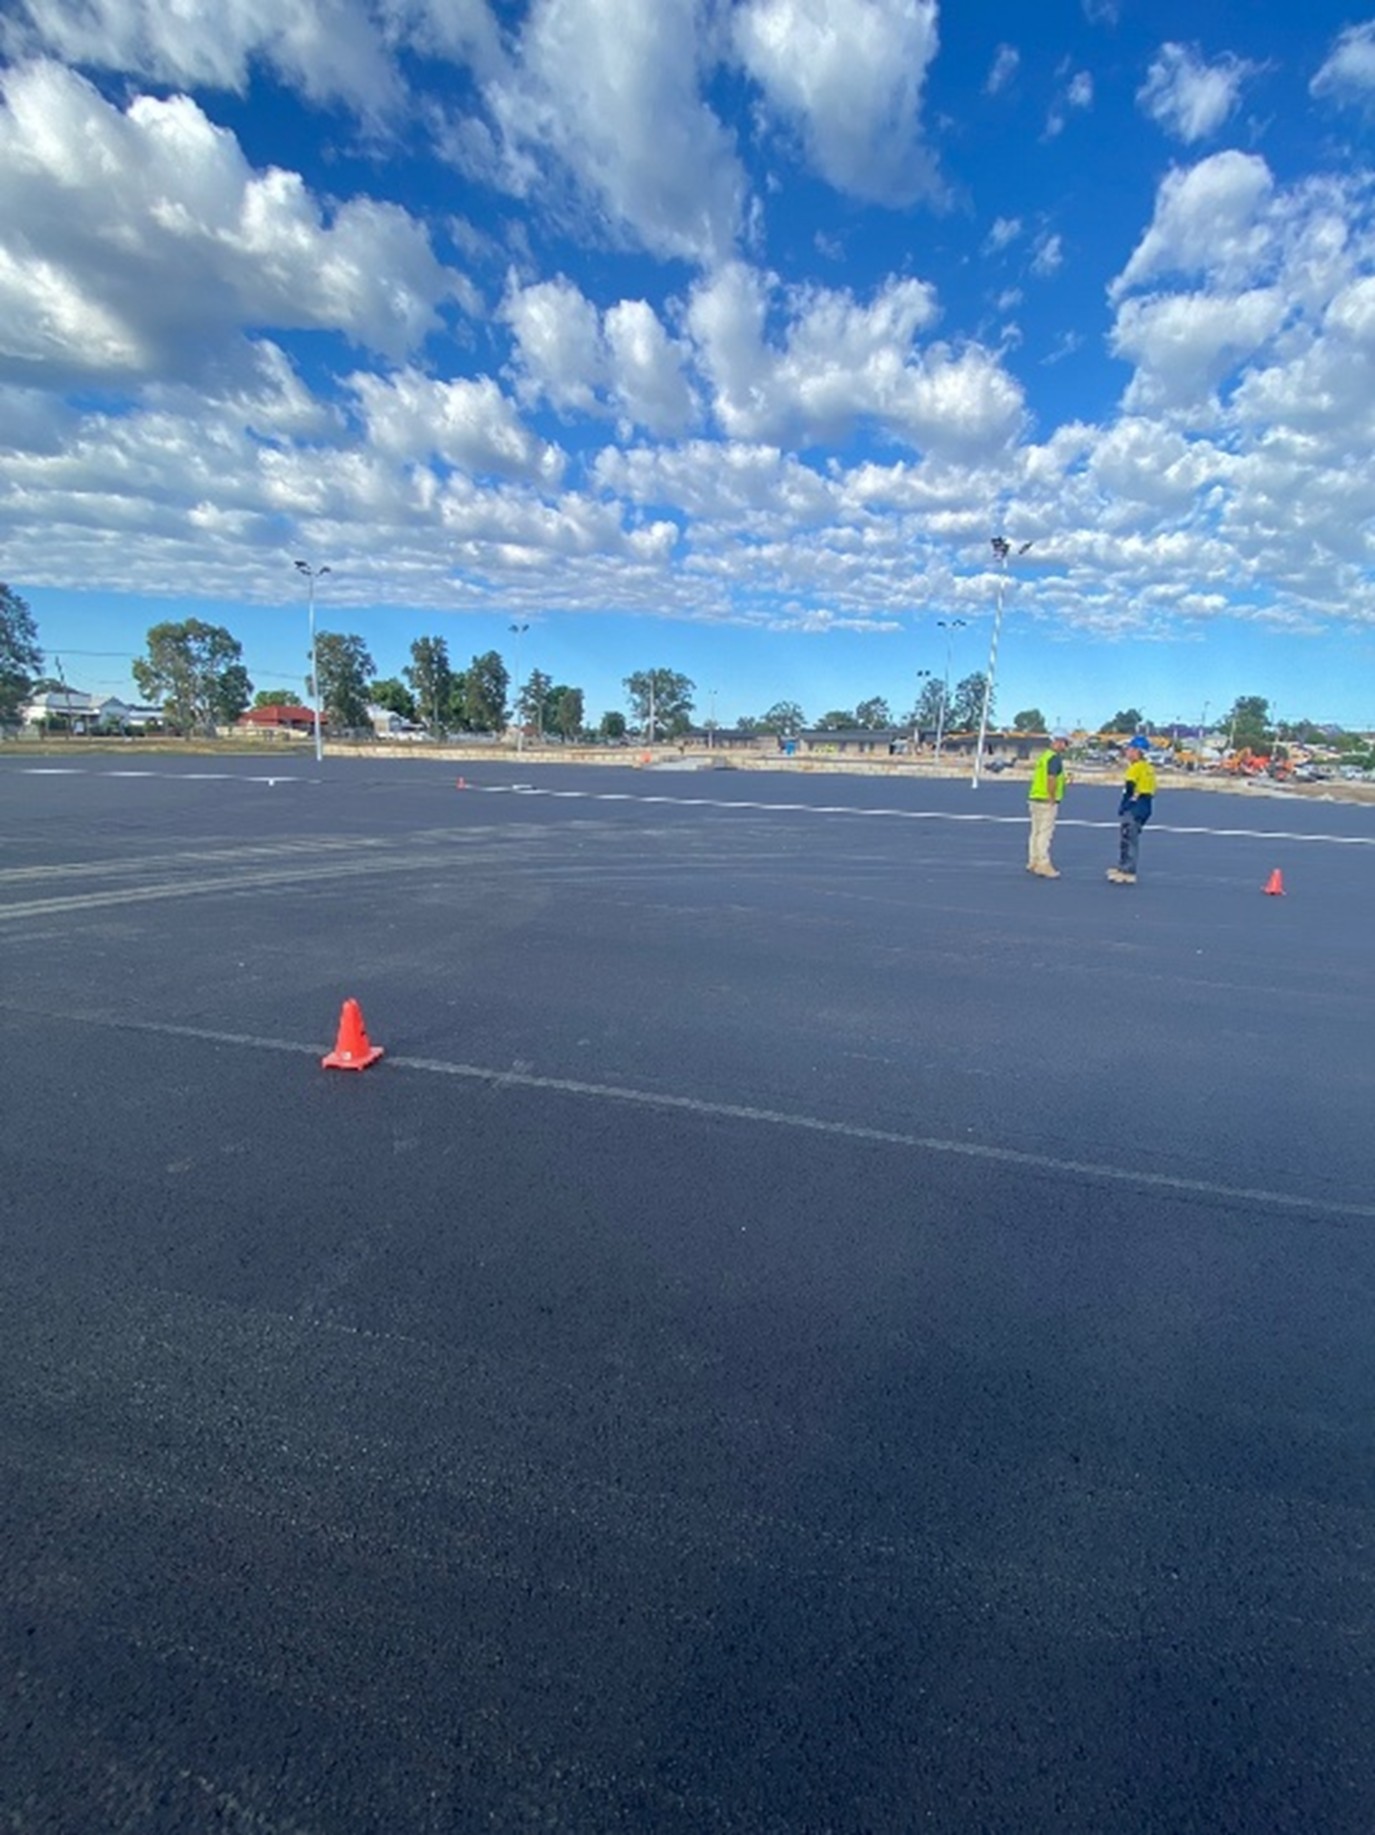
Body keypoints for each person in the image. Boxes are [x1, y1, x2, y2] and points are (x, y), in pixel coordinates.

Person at [1108, 737, 1157, 884]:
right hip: (1145, 805)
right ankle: (1123, 866)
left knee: (1128, 838)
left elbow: (1130, 788)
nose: (1127, 752)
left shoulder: (1135, 768)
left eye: (1129, 749)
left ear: (1137, 751)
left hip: (1134, 806)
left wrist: (1125, 806)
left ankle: (1127, 871)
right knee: (1130, 836)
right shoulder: (1149, 768)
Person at [1026, 730, 1070, 877]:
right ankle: (1043, 864)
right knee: (1045, 833)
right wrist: (1051, 797)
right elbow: (1051, 778)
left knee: (1036, 832)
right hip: (1046, 800)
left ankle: (1033, 861)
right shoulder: (1054, 759)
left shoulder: (1044, 757)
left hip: (1035, 798)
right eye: (1064, 742)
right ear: (1057, 741)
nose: (1065, 745)